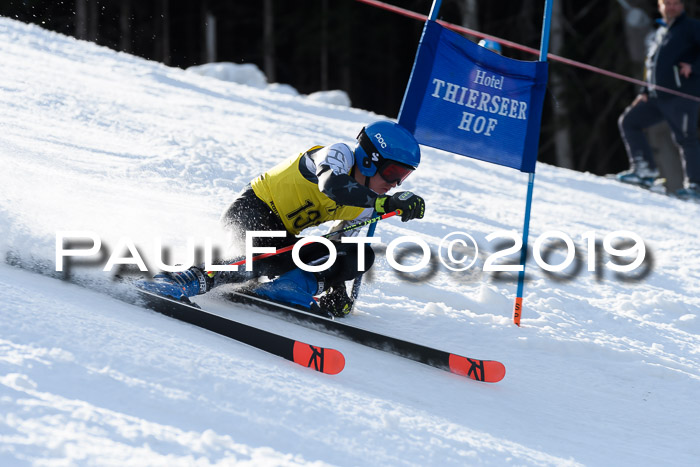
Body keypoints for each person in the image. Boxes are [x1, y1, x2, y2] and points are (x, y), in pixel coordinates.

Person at [137, 121, 426, 317]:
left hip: (283, 237)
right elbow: (331, 185)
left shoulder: (367, 202)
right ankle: (180, 279)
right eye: (392, 174)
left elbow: (335, 248)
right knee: (261, 255)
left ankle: (290, 288)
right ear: (369, 158)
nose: (394, 184)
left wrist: (334, 288)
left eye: (404, 178)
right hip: (251, 211)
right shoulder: (337, 155)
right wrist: (383, 202)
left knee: (358, 254)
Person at [617, 0, 700, 200]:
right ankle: (644, 170)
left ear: (682, 6)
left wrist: (694, 67)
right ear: (660, 5)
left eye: (675, 3)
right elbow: (653, 65)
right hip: (656, 96)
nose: (671, 7)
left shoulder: (691, 27)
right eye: (667, 3)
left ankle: (696, 187)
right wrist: (645, 90)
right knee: (629, 121)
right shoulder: (662, 30)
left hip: (681, 95)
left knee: (685, 138)